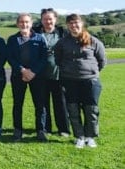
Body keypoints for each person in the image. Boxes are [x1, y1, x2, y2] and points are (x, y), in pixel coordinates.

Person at [54, 14, 106, 148]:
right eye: (70, 23)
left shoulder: (94, 41)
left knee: (91, 110)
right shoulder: (62, 43)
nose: (73, 25)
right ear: (67, 25)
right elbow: (58, 60)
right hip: (70, 81)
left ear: (82, 24)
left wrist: (90, 72)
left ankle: (90, 137)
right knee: (73, 110)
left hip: (90, 82)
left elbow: (102, 61)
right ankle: (79, 137)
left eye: (76, 23)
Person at [7, 13, 48, 142]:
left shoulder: (40, 38)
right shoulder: (12, 39)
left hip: (37, 76)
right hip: (18, 76)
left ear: (31, 24)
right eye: (21, 22)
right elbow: (10, 58)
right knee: (18, 104)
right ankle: (18, 130)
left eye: (27, 22)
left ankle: (41, 131)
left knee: (40, 105)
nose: (24, 24)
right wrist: (23, 70)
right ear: (18, 24)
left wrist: (33, 72)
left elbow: (44, 58)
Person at [33, 8, 70, 137]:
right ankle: (45, 128)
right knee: (42, 104)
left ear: (55, 19)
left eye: (50, 19)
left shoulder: (62, 33)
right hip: (40, 75)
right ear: (41, 20)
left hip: (58, 74)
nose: (48, 21)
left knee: (60, 103)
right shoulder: (35, 32)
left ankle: (63, 129)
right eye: (45, 19)